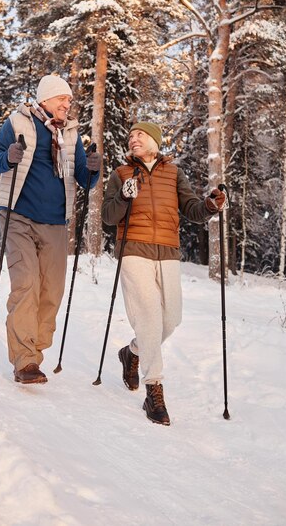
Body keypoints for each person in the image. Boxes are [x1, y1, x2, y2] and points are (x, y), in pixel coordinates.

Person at [101, 122, 225, 425]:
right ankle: (153, 388)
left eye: (139, 135)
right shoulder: (121, 174)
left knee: (171, 319)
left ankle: (132, 352)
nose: (133, 139)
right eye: (130, 136)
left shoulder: (174, 173)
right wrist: (124, 198)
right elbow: (107, 217)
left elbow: (192, 209)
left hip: (168, 251)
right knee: (148, 317)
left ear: (155, 141)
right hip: (133, 249)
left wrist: (210, 205)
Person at [0, 74, 101, 385]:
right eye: (63, 99)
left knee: (52, 292)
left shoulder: (72, 134)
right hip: (18, 217)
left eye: (69, 100)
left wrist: (93, 169)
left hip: (55, 222)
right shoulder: (19, 123)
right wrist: (8, 158)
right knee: (26, 286)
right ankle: (24, 361)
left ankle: (35, 353)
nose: (68, 104)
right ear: (46, 100)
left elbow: (84, 180)